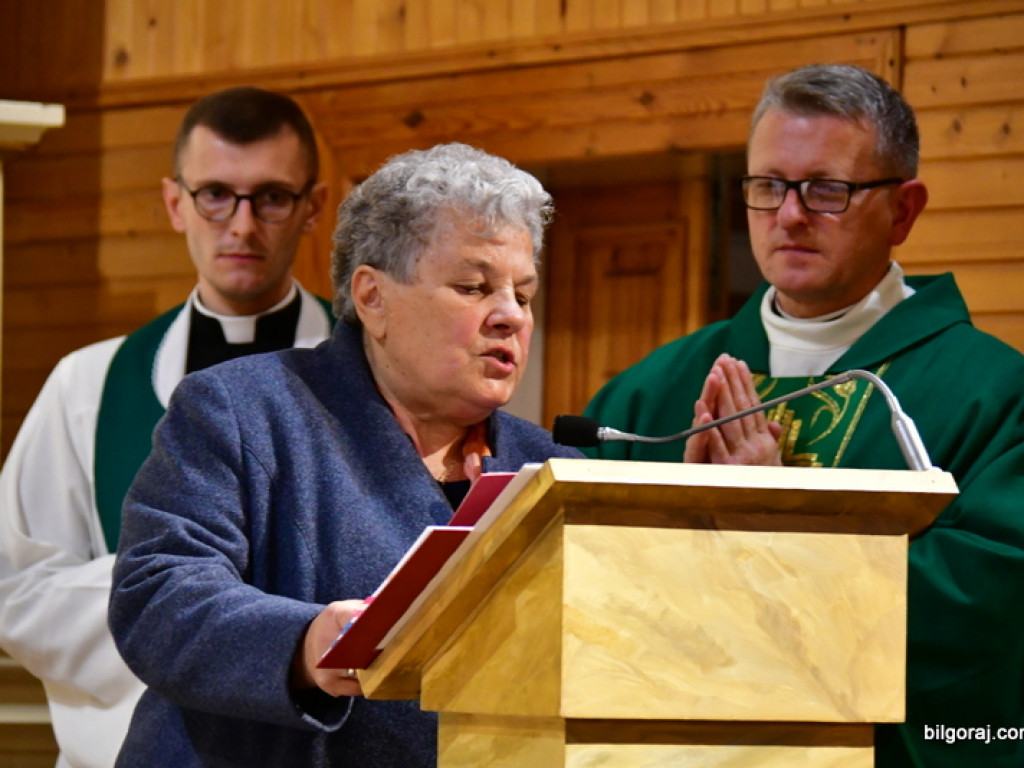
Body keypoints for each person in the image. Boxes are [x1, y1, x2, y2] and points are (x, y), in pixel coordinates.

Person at [583, 63, 1024, 767]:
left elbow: (992, 609)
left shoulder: (993, 393)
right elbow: (580, 587)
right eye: (768, 188)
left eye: (828, 190)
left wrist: (775, 523)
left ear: (903, 210)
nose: (790, 215)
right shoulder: (648, 396)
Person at [107, 142, 582, 766]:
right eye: (473, 286)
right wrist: (305, 643)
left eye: (523, 294)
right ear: (372, 298)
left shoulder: (547, 466)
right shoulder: (242, 410)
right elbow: (158, 594)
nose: (510, 318)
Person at [0, 86, 334, 768]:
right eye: (215, 194)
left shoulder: (378, 373)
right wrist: (185, 598)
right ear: (175, 203)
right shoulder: (88, 384)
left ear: (313, 208)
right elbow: (17, 585)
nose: (242, 226)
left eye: (271, 197)